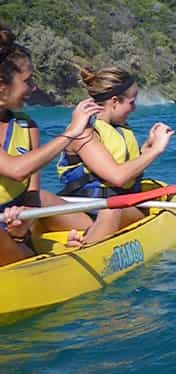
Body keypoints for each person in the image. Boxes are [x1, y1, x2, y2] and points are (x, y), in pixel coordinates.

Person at [0, 26, 101, 265]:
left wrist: (23, 227)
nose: (33, 87)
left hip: (16, 228)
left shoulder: (27, 127)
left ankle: (84, 246)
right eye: (27, 80)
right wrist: (69, 134)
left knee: (90, 228)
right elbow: (16, 169)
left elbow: (31, 194)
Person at [57, 66, 173, 246]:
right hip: (84, 208)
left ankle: (86, 241)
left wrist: (147, 149)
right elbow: (118, 177)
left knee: (111, 210)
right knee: (39, 197)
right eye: (131, 102)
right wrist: (157, 149)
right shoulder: (84, 131)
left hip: (120, 208)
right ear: (114, 102)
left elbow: (123, 169)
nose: (133, 108)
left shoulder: (119, 127)